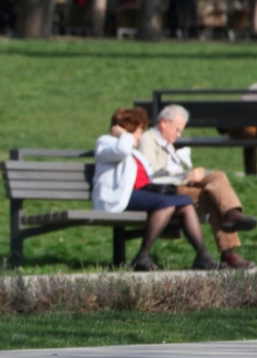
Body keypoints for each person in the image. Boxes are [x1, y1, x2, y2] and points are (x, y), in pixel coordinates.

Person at [92, 108, 220, 272]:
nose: (140, 136)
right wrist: (123, 134)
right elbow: (122, 150)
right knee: (166, 204)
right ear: (128, 129)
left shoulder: (134, 152)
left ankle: (203, 256)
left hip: (141, 193)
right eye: (139, 131)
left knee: (185, 203)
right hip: (118, 196)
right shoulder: (106, 143)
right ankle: (142, 256)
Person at [137, 105, 257, 269]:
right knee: (215, 193)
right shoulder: (148, 140)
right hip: (165, 191)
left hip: (178, 185)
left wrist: (189, 175)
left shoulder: (167, 143)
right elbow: (150, 175)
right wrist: (186, 176)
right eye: (177, 130)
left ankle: (231, 219)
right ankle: (229, 244)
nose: (179, 135)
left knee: (217, 180)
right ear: (164, 122)